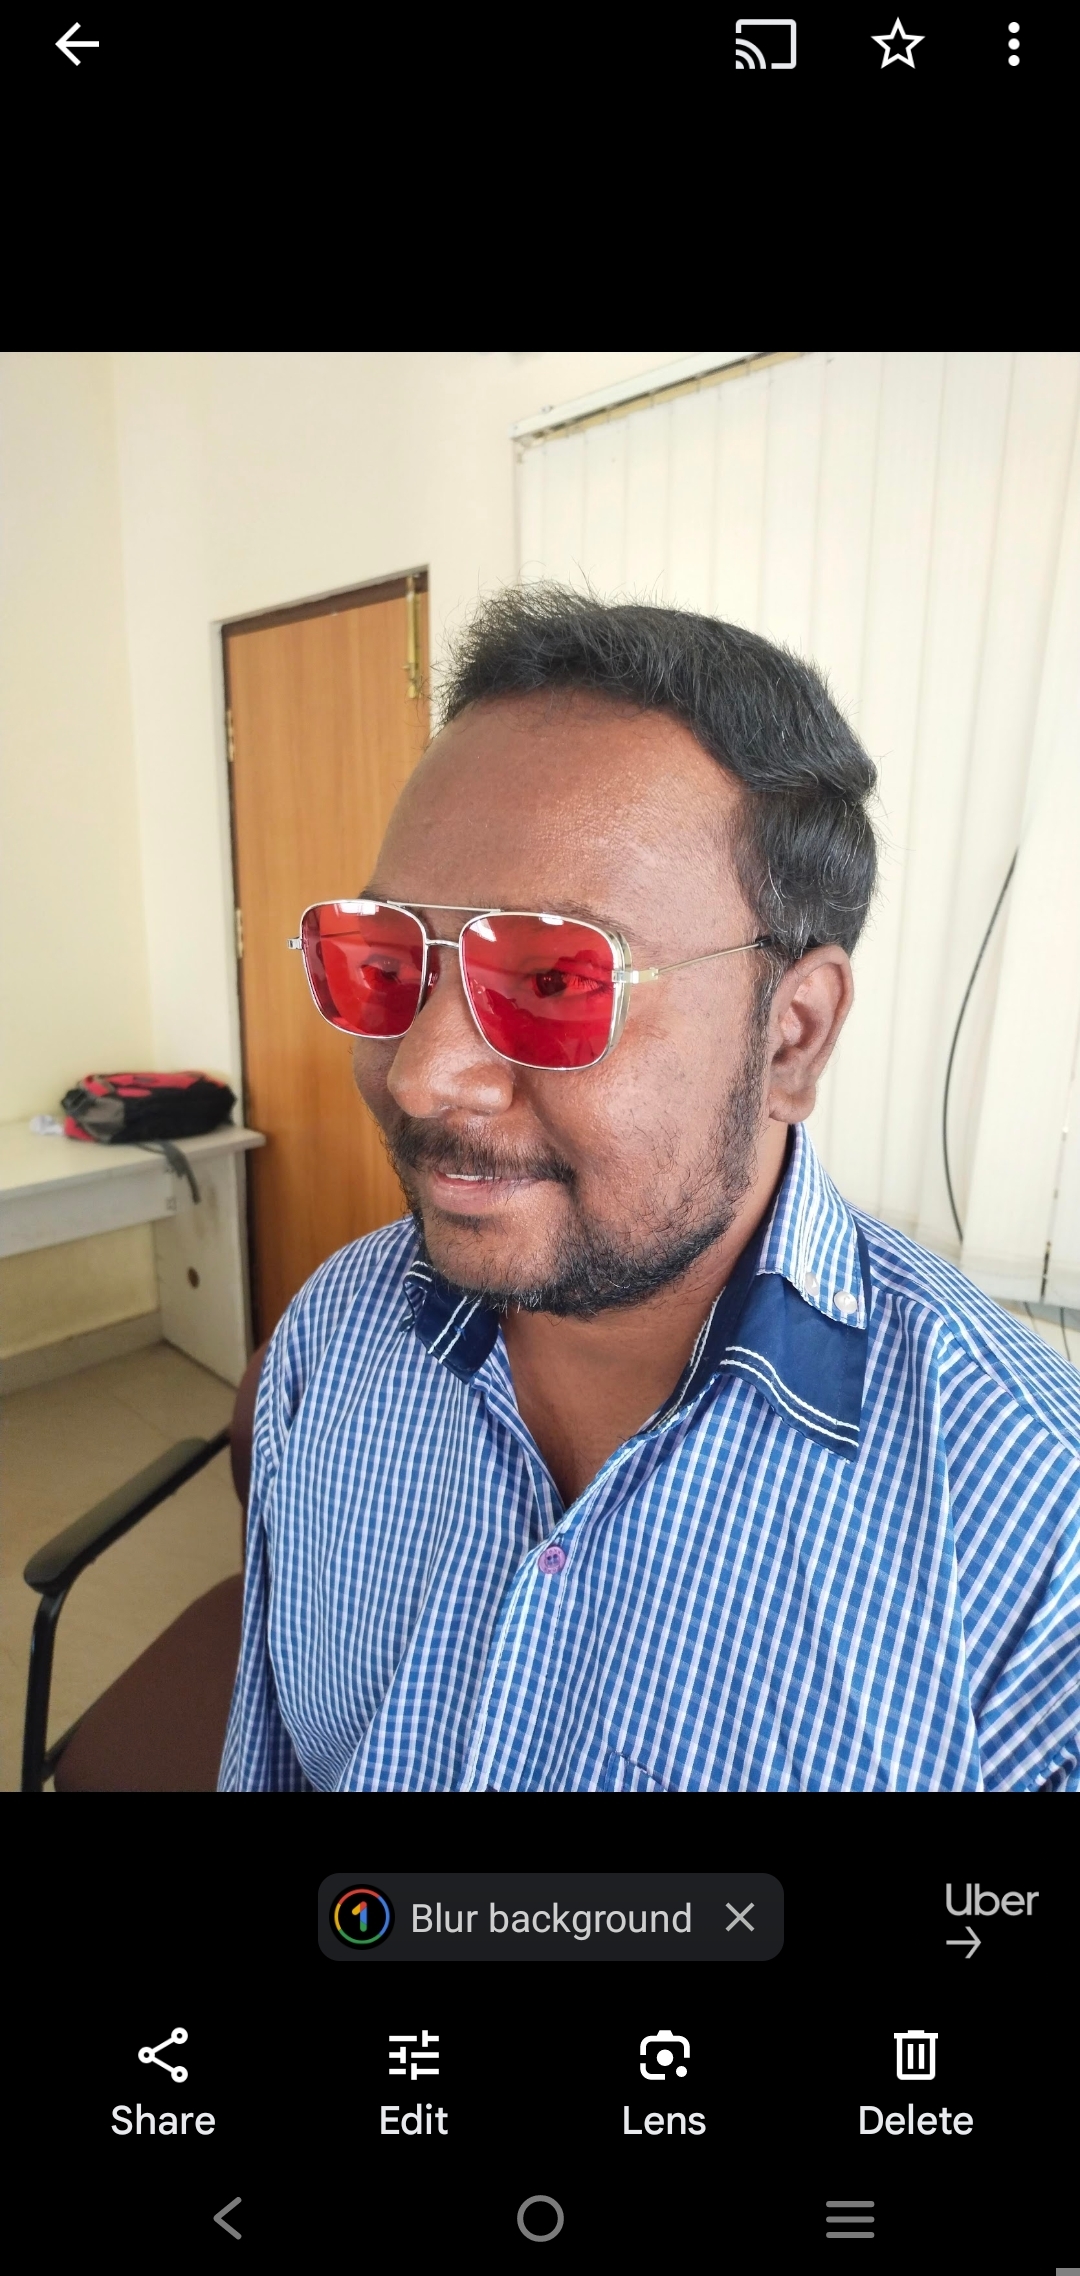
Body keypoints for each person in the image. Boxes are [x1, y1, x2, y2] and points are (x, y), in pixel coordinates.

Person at [220, 588, 1080, 1792]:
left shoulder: (1036, 1535)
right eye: (387, 960)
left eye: (555, 980)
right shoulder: (334, 1337)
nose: (422, 1075)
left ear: (792, 1034)